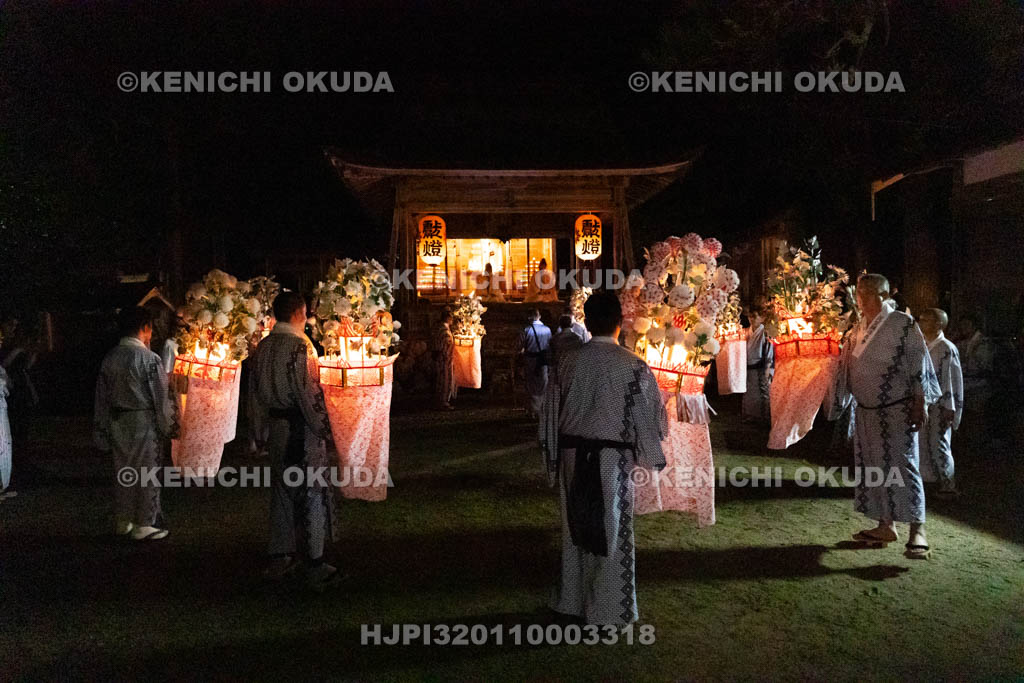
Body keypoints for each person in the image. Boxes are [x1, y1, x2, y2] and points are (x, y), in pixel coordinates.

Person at [539, 291, 667, 625]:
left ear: (588, 320)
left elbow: (549, 414)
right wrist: (651, 455)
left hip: (571, 455)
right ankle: (608, 609)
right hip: (612, 461)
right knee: (612, 528)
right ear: (620, 321)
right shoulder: (634, 365)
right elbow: (649, 417)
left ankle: (571, 600)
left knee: (574, 527)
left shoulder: (567, 362)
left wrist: (552, 458)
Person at [833, 274, 939, 559]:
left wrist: (921, 401)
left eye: (867, 294)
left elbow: (918, 363)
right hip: (866, 412)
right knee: (874, 468)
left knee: (904, 466)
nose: (861, 299)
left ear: (883, 294)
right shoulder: (858, 329)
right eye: (859, 294)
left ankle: (918, 530)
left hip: (897, 408)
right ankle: (884, 524)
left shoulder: (903, 324)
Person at [250, 291, 340, 589]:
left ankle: (281, 553)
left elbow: (255, 395)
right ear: (300, 313)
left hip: (275, 429)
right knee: (312, 490)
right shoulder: (303, 348)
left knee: (281, 490)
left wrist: (257, 433)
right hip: (301, 431)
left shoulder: (262, 347)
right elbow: (309, 394)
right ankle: (314, 559)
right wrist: (327, 429)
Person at [93, 307, 178, 541]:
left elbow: (101, 397)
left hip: (118, 420)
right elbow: (160, 398)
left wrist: (101, 429)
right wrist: (170, 426)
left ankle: (124, 519)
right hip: (143, 421)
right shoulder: (148, 359)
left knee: (123, 470)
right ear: (144, 328)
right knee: (147, 470)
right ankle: (145, 522)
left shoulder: (110, 357)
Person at [917, 308, 963, 498]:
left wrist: (949, 406)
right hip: (925, 403)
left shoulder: (946, 348)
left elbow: (952, 379)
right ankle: (929, 479)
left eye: (926, 320)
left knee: (939, 444)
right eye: (920, 319)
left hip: (940, 405)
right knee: (922, 443)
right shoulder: (923, 345)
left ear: (939, 324)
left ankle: (948, 484)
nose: (921, 323)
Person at [741, 305, 773, 424]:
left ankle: (765, 417)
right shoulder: (746, 332)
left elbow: (769, 350)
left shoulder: (765, 332)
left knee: (763, 392)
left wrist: (767, 367)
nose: (751, 319)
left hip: (761, 366)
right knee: (749, 392)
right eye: (750, 316)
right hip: (748, 366)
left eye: (754, 317)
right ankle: (750, 416)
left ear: (762, 318)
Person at [517, 309, 552, 418]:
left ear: (529, 317)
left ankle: (533, 409)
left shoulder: (526, 330)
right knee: (543, 382)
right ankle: (542, 408)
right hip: (543, 359)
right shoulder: (547, 329)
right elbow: (550, 344)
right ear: (539, 316)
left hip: (530, 359)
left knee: (531, 383)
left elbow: (519, 346)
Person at [432, 310, 456, 410]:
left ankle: (442, 400)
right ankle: (443, 401)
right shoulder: (444, 330)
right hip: (445, 358)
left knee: (442, 380)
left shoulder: (440, 328)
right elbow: (445, 345)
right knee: (445, 380)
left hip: (443, 357)